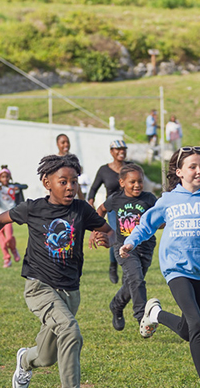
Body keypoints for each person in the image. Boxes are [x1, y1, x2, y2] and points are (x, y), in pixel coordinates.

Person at [0, 154, 113, 388]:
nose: (70, 187)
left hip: (70, 292)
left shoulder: (81, 210)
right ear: (47, 183)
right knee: (70, 331)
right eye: (63, 181)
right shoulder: (32, 209)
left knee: (45, 357)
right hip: (39, 287)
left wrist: (105, 237)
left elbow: (108, 231)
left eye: (74, 182)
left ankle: (25, 360)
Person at [121, 146, 200, 388]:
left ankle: (154, 314)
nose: (199, 171)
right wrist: (131, 242)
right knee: (198, 325)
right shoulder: (167, 201)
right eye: (192, 167)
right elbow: (146, 225)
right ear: (179, 172)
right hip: (175, 268)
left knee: (188, 330)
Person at [98, 163, 157, 331]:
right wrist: (99, 230)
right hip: (122, 246)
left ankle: (116, 306)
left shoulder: (149, 199)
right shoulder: (116, 199)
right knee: (136, 279)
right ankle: (142, 318)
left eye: (140, 181)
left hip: (145, 247)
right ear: (122, 182)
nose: (137, 185)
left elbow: (161, 222)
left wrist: (151, 223)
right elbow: (100, 210)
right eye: (132, 182)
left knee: (133, 282)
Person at [88, 140, 129, 284]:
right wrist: (90, 201)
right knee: (116, 235)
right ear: (111, 152)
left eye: (123, 148)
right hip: (111, 208)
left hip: (129, 208)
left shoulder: (130, 167)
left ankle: (127, 269)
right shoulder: (104, 170)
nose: (121, 151)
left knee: (128, 238)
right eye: (118, 149)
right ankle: (113, 265)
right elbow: (93, 188)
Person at [0, 166, 27, 268]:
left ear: (10, 177)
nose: (5, 179)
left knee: (9, 237)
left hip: (9, 214)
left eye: (7, 176)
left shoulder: (13, 187)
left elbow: (25, 186)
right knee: (1, 239)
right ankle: (7, 258)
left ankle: (13, 249)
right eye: (2, 177)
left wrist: (18, 188)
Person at [56, 134, 85, 200]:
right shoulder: (54, 161)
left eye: (67, 142)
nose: (66, 145)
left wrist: (83, 201)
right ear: (57, 144)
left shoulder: (73, 160)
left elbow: (76, 182)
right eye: (63, 143)